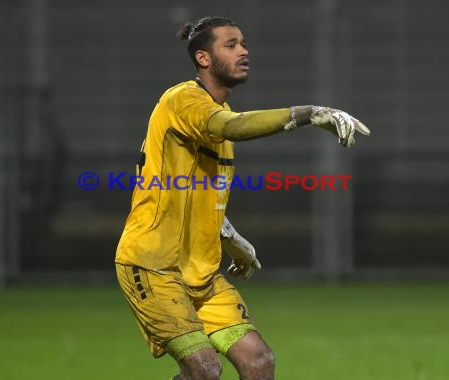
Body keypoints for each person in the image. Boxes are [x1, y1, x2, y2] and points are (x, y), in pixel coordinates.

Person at [115, 16, 370, 380]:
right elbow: (230, 126)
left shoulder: (218, 121)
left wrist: (233, 240)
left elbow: (205, 196)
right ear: (204, 58)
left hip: (199, 272)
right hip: (152, 265)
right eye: (231, 45)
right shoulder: (183, 99)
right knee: (204, 369)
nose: (244, 51)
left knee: (258, 361)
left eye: (244, 44)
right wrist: (309, 114)